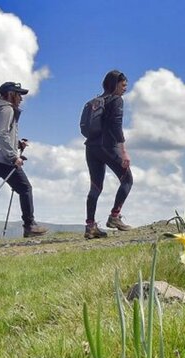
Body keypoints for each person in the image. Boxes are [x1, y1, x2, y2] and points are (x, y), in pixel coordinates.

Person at [0, 82, 48, 242]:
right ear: (10, 94)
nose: (21, 98)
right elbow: (2, 134)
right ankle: (30, 225)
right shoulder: (6, 108)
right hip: (1, 157)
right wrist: (14, 156)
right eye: (19, 94)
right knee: (25, 188)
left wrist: (18, 144)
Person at [84, 70, 133, 239]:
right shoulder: (116, 100)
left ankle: (90, 226)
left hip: (91, 148)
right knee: (127, 179)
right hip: (108, 147)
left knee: (95, 187)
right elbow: (116, 125)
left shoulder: (94, 102)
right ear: (115, 84)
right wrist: (123, 151)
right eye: (123, 85)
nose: (125, 89)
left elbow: (85, 128)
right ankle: (114, 217)